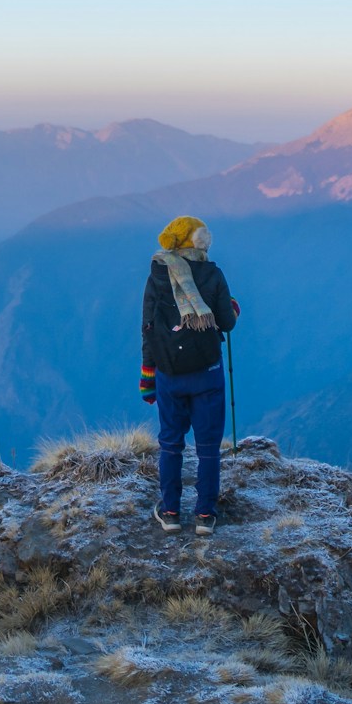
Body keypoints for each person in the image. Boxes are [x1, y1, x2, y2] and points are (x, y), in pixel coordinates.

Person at [138, 215, 238, 535]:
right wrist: (232, 307)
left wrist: (147, 375)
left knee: (171, 443)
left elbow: (149, 327)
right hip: (207, 373)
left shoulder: (157, 274)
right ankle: (205, 516)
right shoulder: (212, 273)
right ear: (194, 241)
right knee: (208, 446)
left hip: (169, 374)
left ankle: (169, 512)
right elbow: (227, 322)